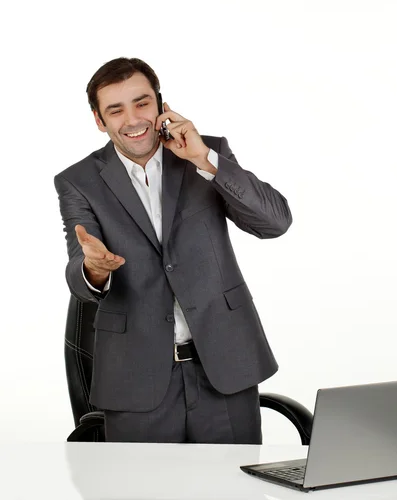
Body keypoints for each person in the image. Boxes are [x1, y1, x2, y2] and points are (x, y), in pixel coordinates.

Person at [54, 57, 292, 443]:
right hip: (135, 376)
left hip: (224, 365)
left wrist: (203, 160)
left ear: (161, 104)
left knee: (231, 489)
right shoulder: (78, 182)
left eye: (142, 103)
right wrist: (95, 269)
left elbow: (275, 222)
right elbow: (79, 273)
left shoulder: (206, 153)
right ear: (99, 120)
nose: (133, 119)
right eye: (116, 110)